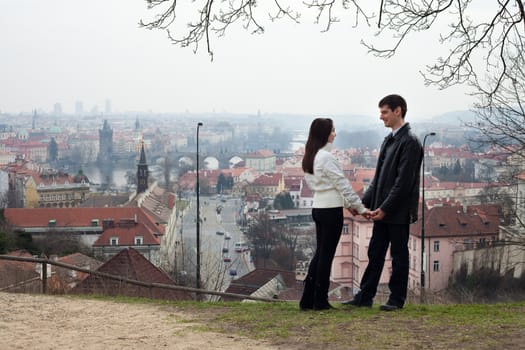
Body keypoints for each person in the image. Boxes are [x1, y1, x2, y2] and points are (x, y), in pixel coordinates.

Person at [342, 94, 423, 311]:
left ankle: (396, 300)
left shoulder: (410, 142)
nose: (381, 117)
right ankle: (365, 297)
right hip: (383, 210)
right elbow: (378, 180)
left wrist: (384, 209)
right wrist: (361, 205)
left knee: (398, 256)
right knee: (375, 253)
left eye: (384, 112)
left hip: (396, 212)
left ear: (398, 111)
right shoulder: (389, 140)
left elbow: (403, 184)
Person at [300, 118, 369, 311]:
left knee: (319, 255)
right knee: (326, 256)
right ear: (324, 134)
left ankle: (308, 299)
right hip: (331, 211)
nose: (335, 134)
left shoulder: (310, 156)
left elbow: (331, 188)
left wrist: (349, 205)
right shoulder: (326, 158)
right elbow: (342, 186)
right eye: (332, 130)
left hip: (319, 208)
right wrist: (360, 208)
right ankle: (320, 301)